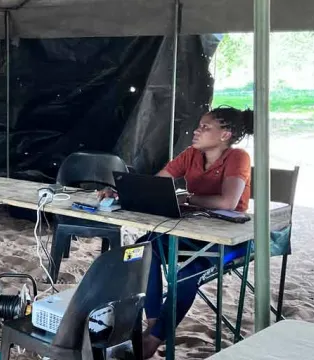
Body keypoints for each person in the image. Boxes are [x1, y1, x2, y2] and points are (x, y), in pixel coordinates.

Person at [100, 106, 255, 358]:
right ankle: (153, 327)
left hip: (230, 241)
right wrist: (121, 193)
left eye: (205, 127)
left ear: (225, 135)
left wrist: (185, 199)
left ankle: (154, 338)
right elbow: (156, 183)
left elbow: (228, 202)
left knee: (188, 271)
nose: (197, 130)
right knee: (143, 249)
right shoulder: (191, 154)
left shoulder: (238, 157)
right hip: (192, 233)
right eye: (199, 125)